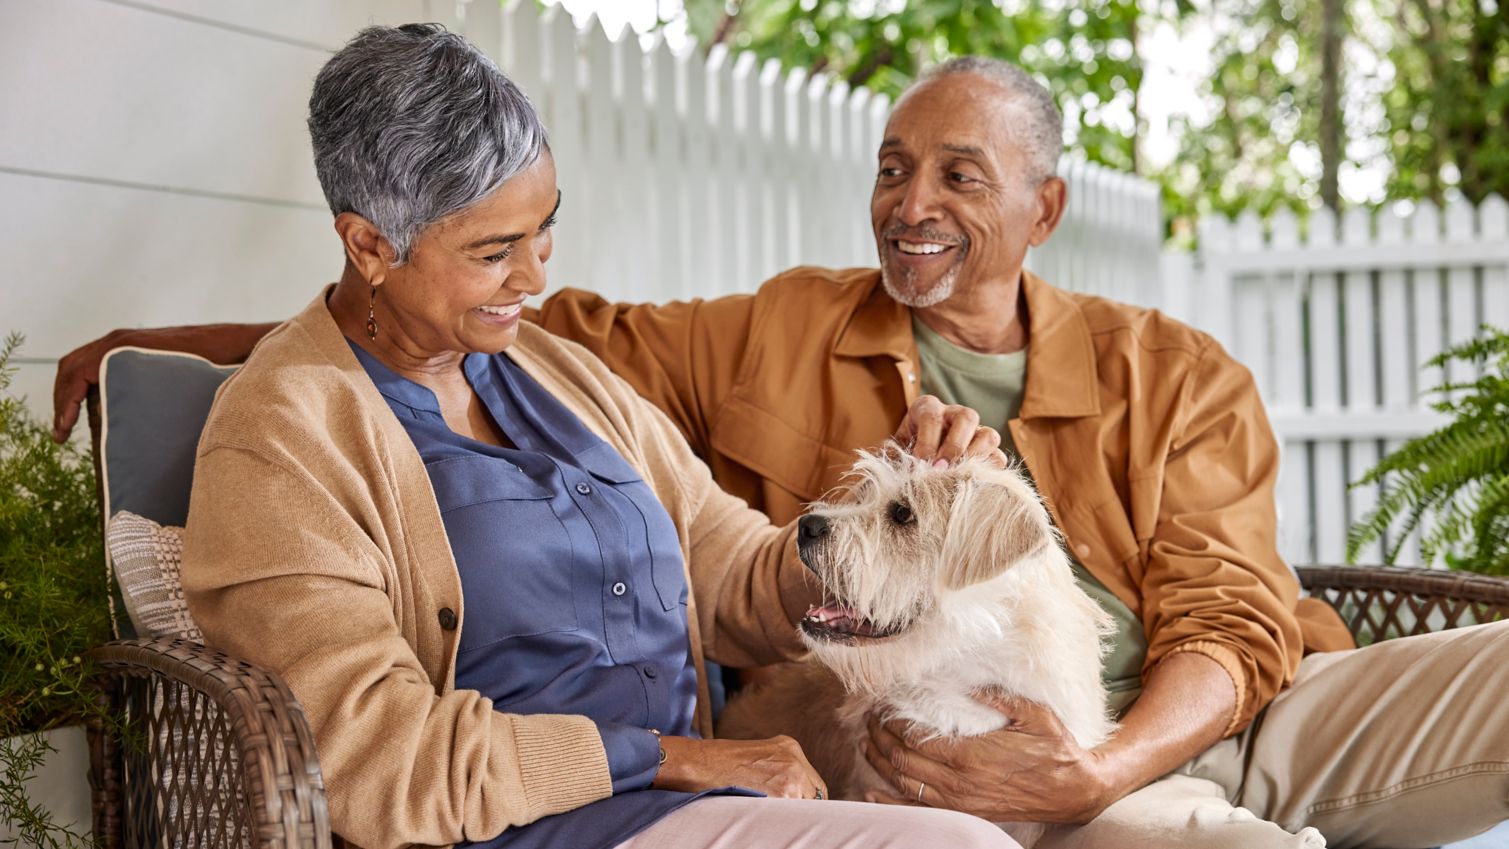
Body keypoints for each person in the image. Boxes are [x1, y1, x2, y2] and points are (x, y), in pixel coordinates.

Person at [55, 50, 1509, 849]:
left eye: (957, 173)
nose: (911, 200)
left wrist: (1101, 764)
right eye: (890, 165)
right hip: (961, 766)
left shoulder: (1170, 370)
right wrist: (200, 340)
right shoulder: (768, 331)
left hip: (1202, 722)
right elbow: (469, 330)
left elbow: (1234, 614)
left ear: (1046, 209)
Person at [166, 24, 1017, 849]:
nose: (535, 276)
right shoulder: (279, 438)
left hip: (701, 802)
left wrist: (887, 520)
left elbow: (734, 580)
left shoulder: (557, 372)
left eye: (544, 228)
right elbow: (377, 759)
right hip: (525, 828)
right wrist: (672, 760)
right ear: (369, 245)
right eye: (495, 250)